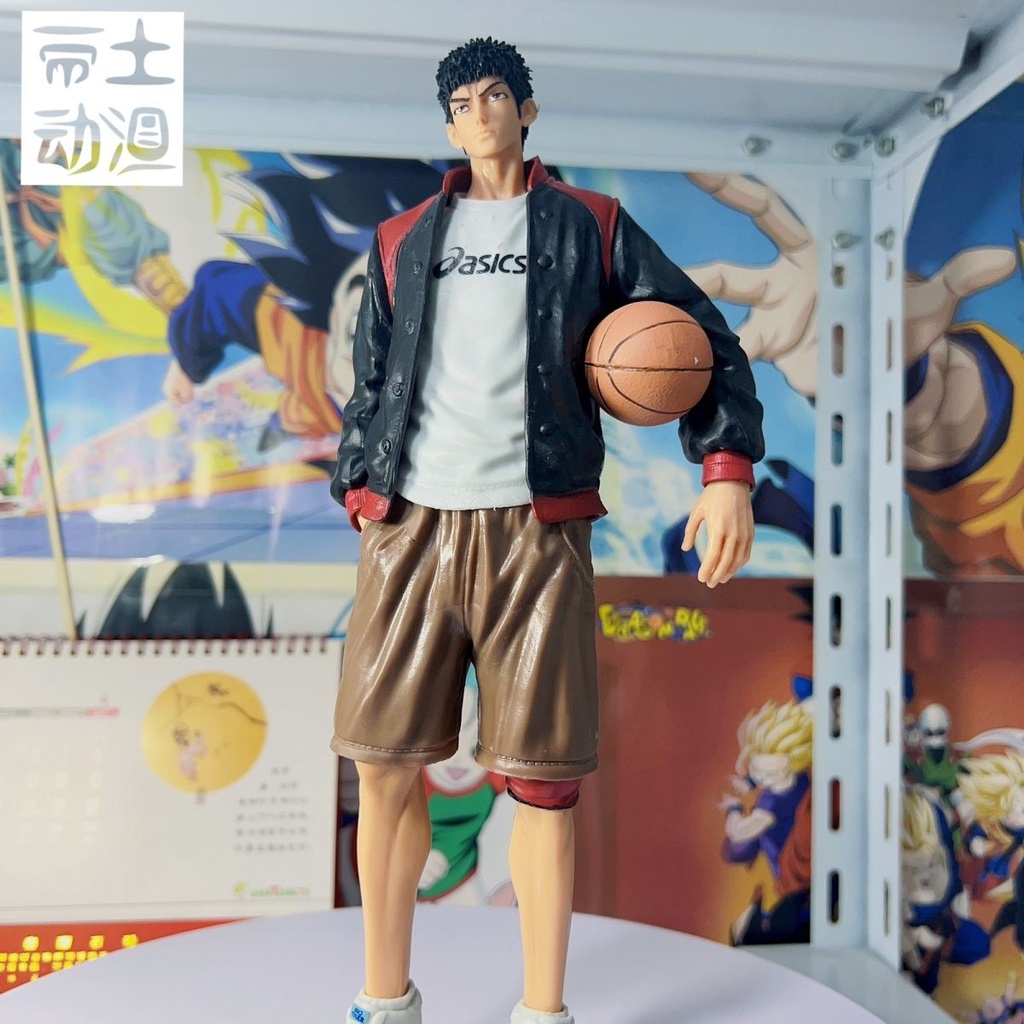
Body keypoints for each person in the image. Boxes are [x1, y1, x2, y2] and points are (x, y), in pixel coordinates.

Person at [329, 37, 764, 1024]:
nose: (479, 113)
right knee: (382, 766)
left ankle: (542, 1008)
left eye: (495, 96)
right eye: (461, 103)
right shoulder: (401, 239)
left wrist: (725, 470)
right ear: (448, 125)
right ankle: (384, 998)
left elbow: (701, 338)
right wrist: (361, 492)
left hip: (537, 530)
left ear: (527, 111)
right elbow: (369, 385)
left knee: (543, 782)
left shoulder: (591, 226)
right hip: (408, 528)